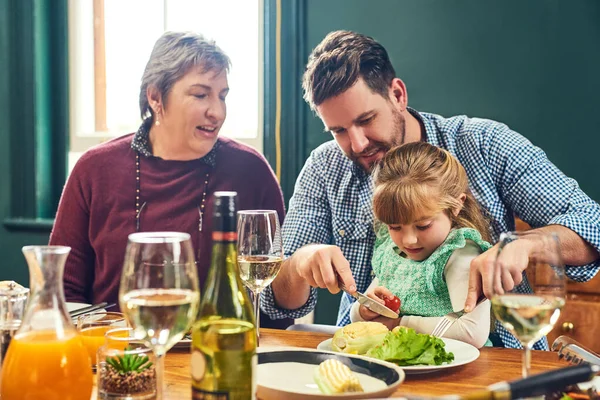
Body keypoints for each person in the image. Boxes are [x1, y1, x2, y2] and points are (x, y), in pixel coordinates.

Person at [262, 30, 600, 348]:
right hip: (372, 364)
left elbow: (592, 223)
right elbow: (277, 303)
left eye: (366, 120)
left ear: (397, 94)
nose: (357, 143)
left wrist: (524, 246)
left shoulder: (485, 144)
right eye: (337, 130)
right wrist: (299, 263)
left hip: (498, 364)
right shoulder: (324, 167)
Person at [49, 31, 292, 329]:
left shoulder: (251, 170)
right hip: (118, 357)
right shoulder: (94, 169)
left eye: (222, 96)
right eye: (200, 95)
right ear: (155, 97)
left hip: (221, 354)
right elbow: (64, 294)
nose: (217, 111)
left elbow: (274, 306)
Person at [349, 142, 492, 348]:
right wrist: (365, 310)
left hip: (458, 367)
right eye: (395, 227)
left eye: (423, 226)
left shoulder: (459, 253)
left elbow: (471, 333)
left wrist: (400, 323)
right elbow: (361, 319)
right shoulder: (393, 251)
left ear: (456, 205)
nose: (408, 240)